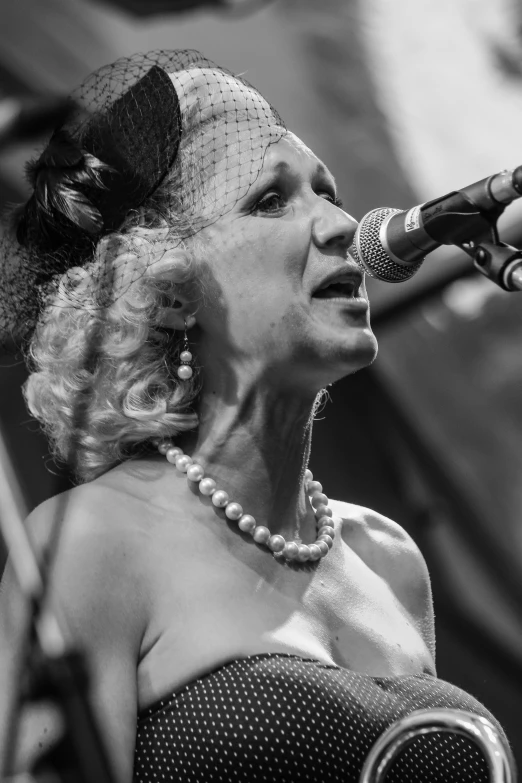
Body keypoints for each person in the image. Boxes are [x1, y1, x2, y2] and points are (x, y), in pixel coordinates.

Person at [0, 51, 510, 783]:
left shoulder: (388, 558)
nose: (341, 225)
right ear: (168, 289)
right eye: (271, 199)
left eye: (328, 192)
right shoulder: (94, 543)